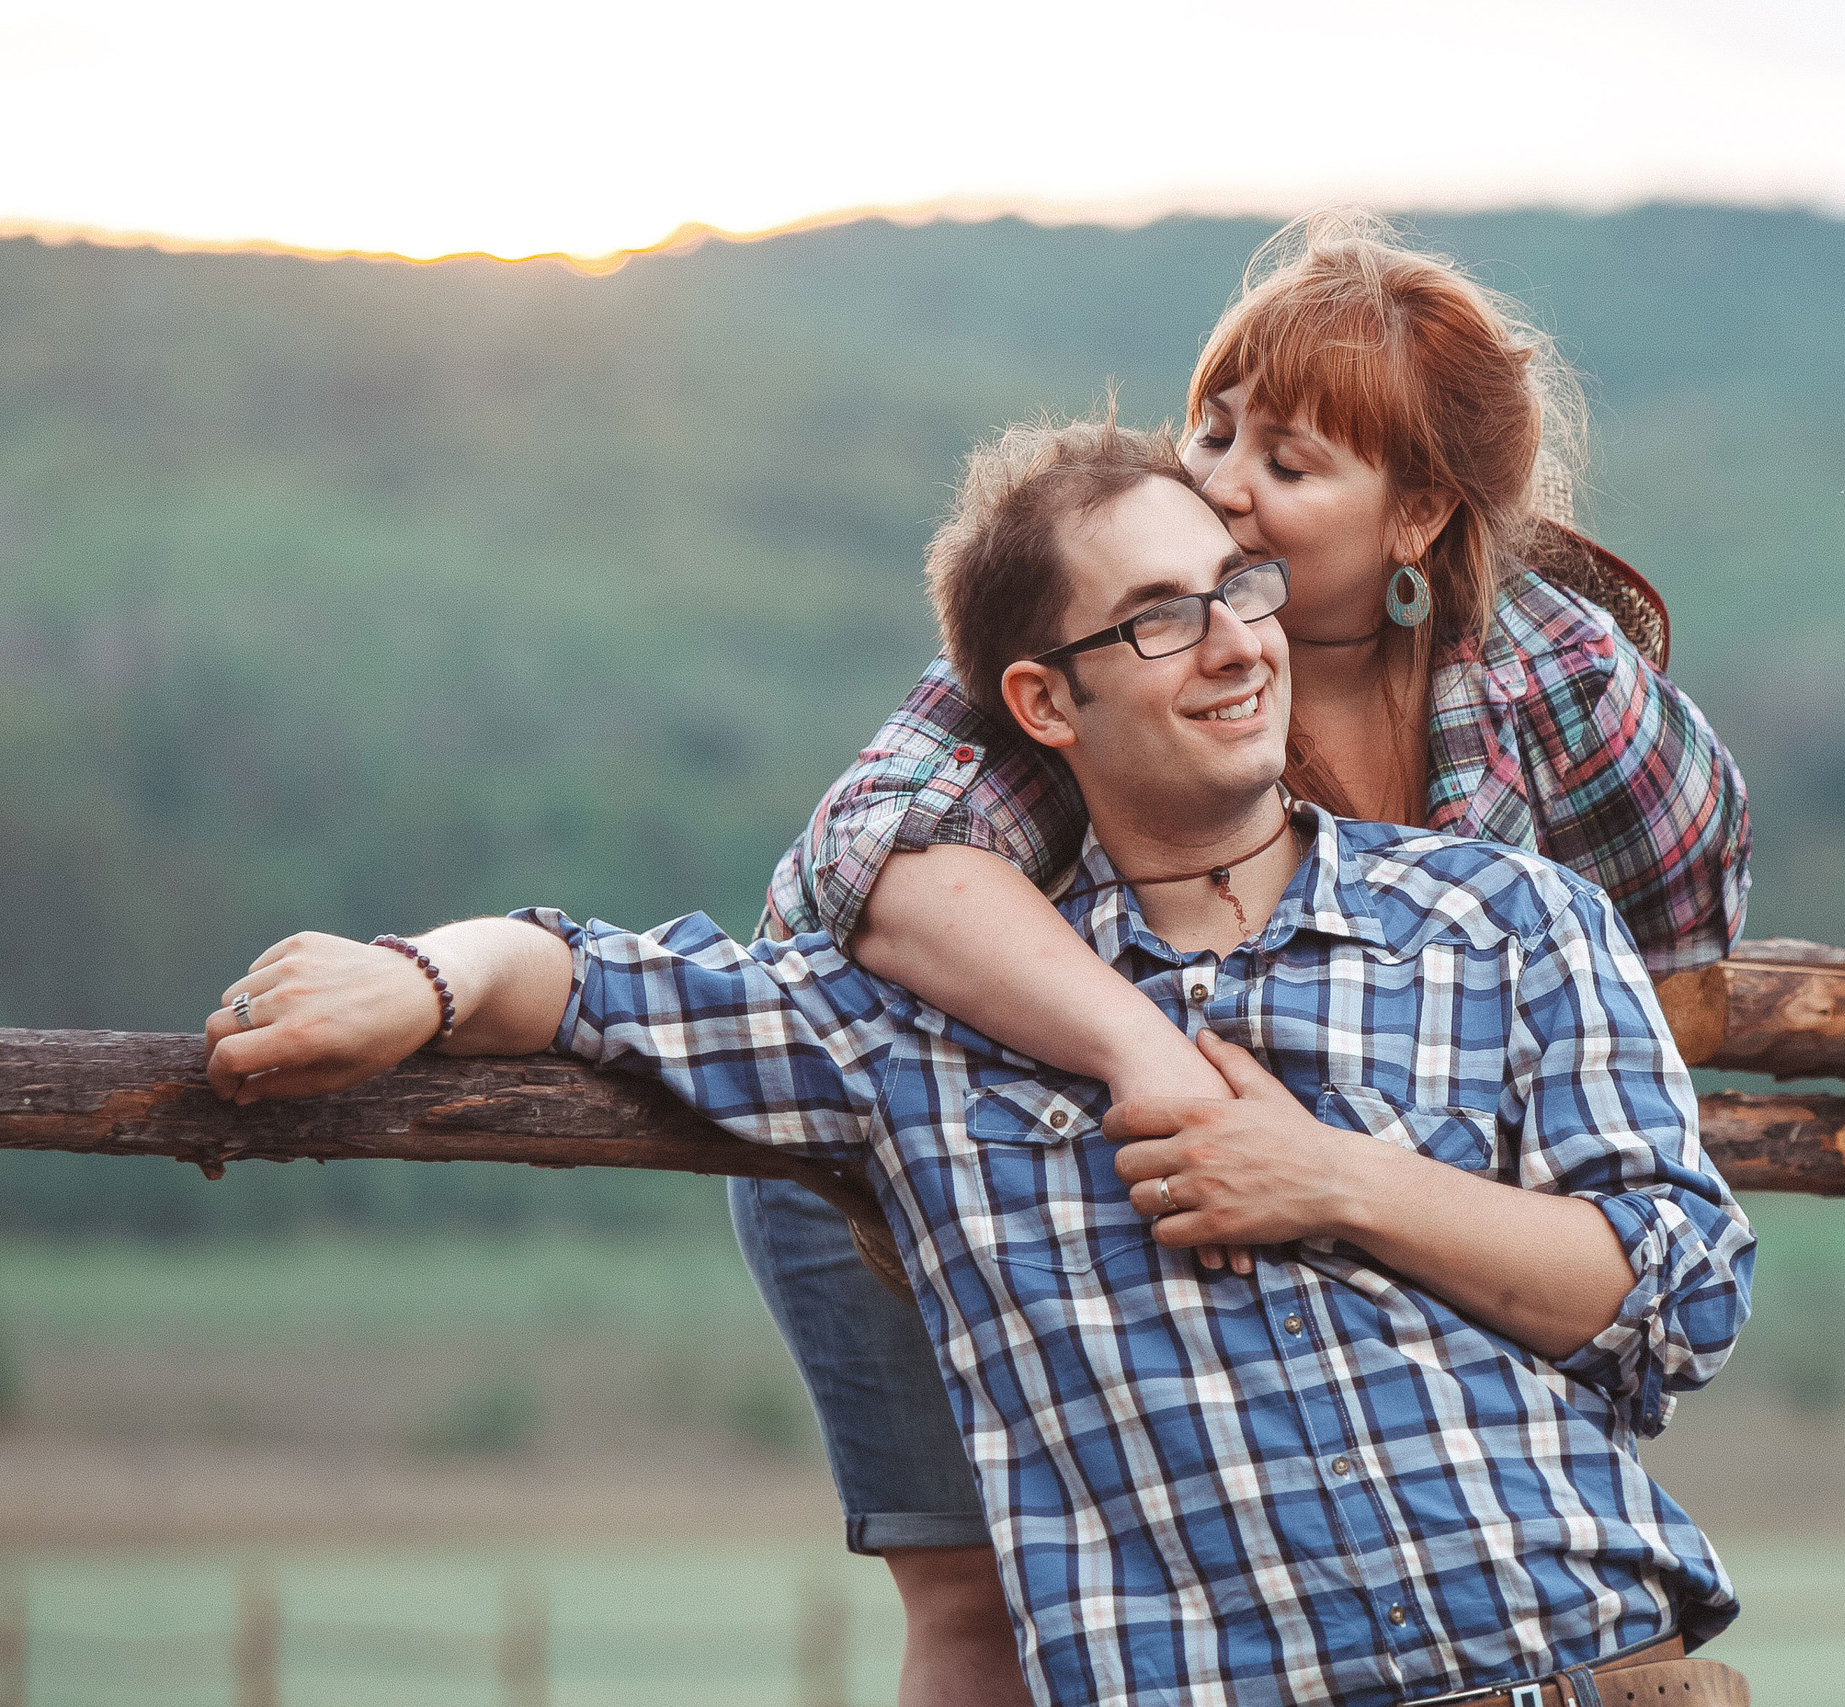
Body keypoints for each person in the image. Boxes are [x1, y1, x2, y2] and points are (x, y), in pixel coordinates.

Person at [203, 419, 1755, 1707]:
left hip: (1595, 1667)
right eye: (1160, 616)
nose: (1233, 644)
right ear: (1040, 702)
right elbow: (595, 974)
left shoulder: (1507, 918)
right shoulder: (914, 1030)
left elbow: (1677, 1292)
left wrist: (1333, 1178)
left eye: (1242, 588)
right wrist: (417, 971)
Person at [743, 213, 1752, 1702]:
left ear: (1414, 518)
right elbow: (855, 868)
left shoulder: (1560, 678)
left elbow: (1684, 917)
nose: (1214, 481)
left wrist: (1486, 1131)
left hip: (1333, 1193)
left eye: (1286, 462)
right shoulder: (1119, 628)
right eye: (1211, 428)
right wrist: (1151, 1055)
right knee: (983, 1598)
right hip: (1003, 1141)